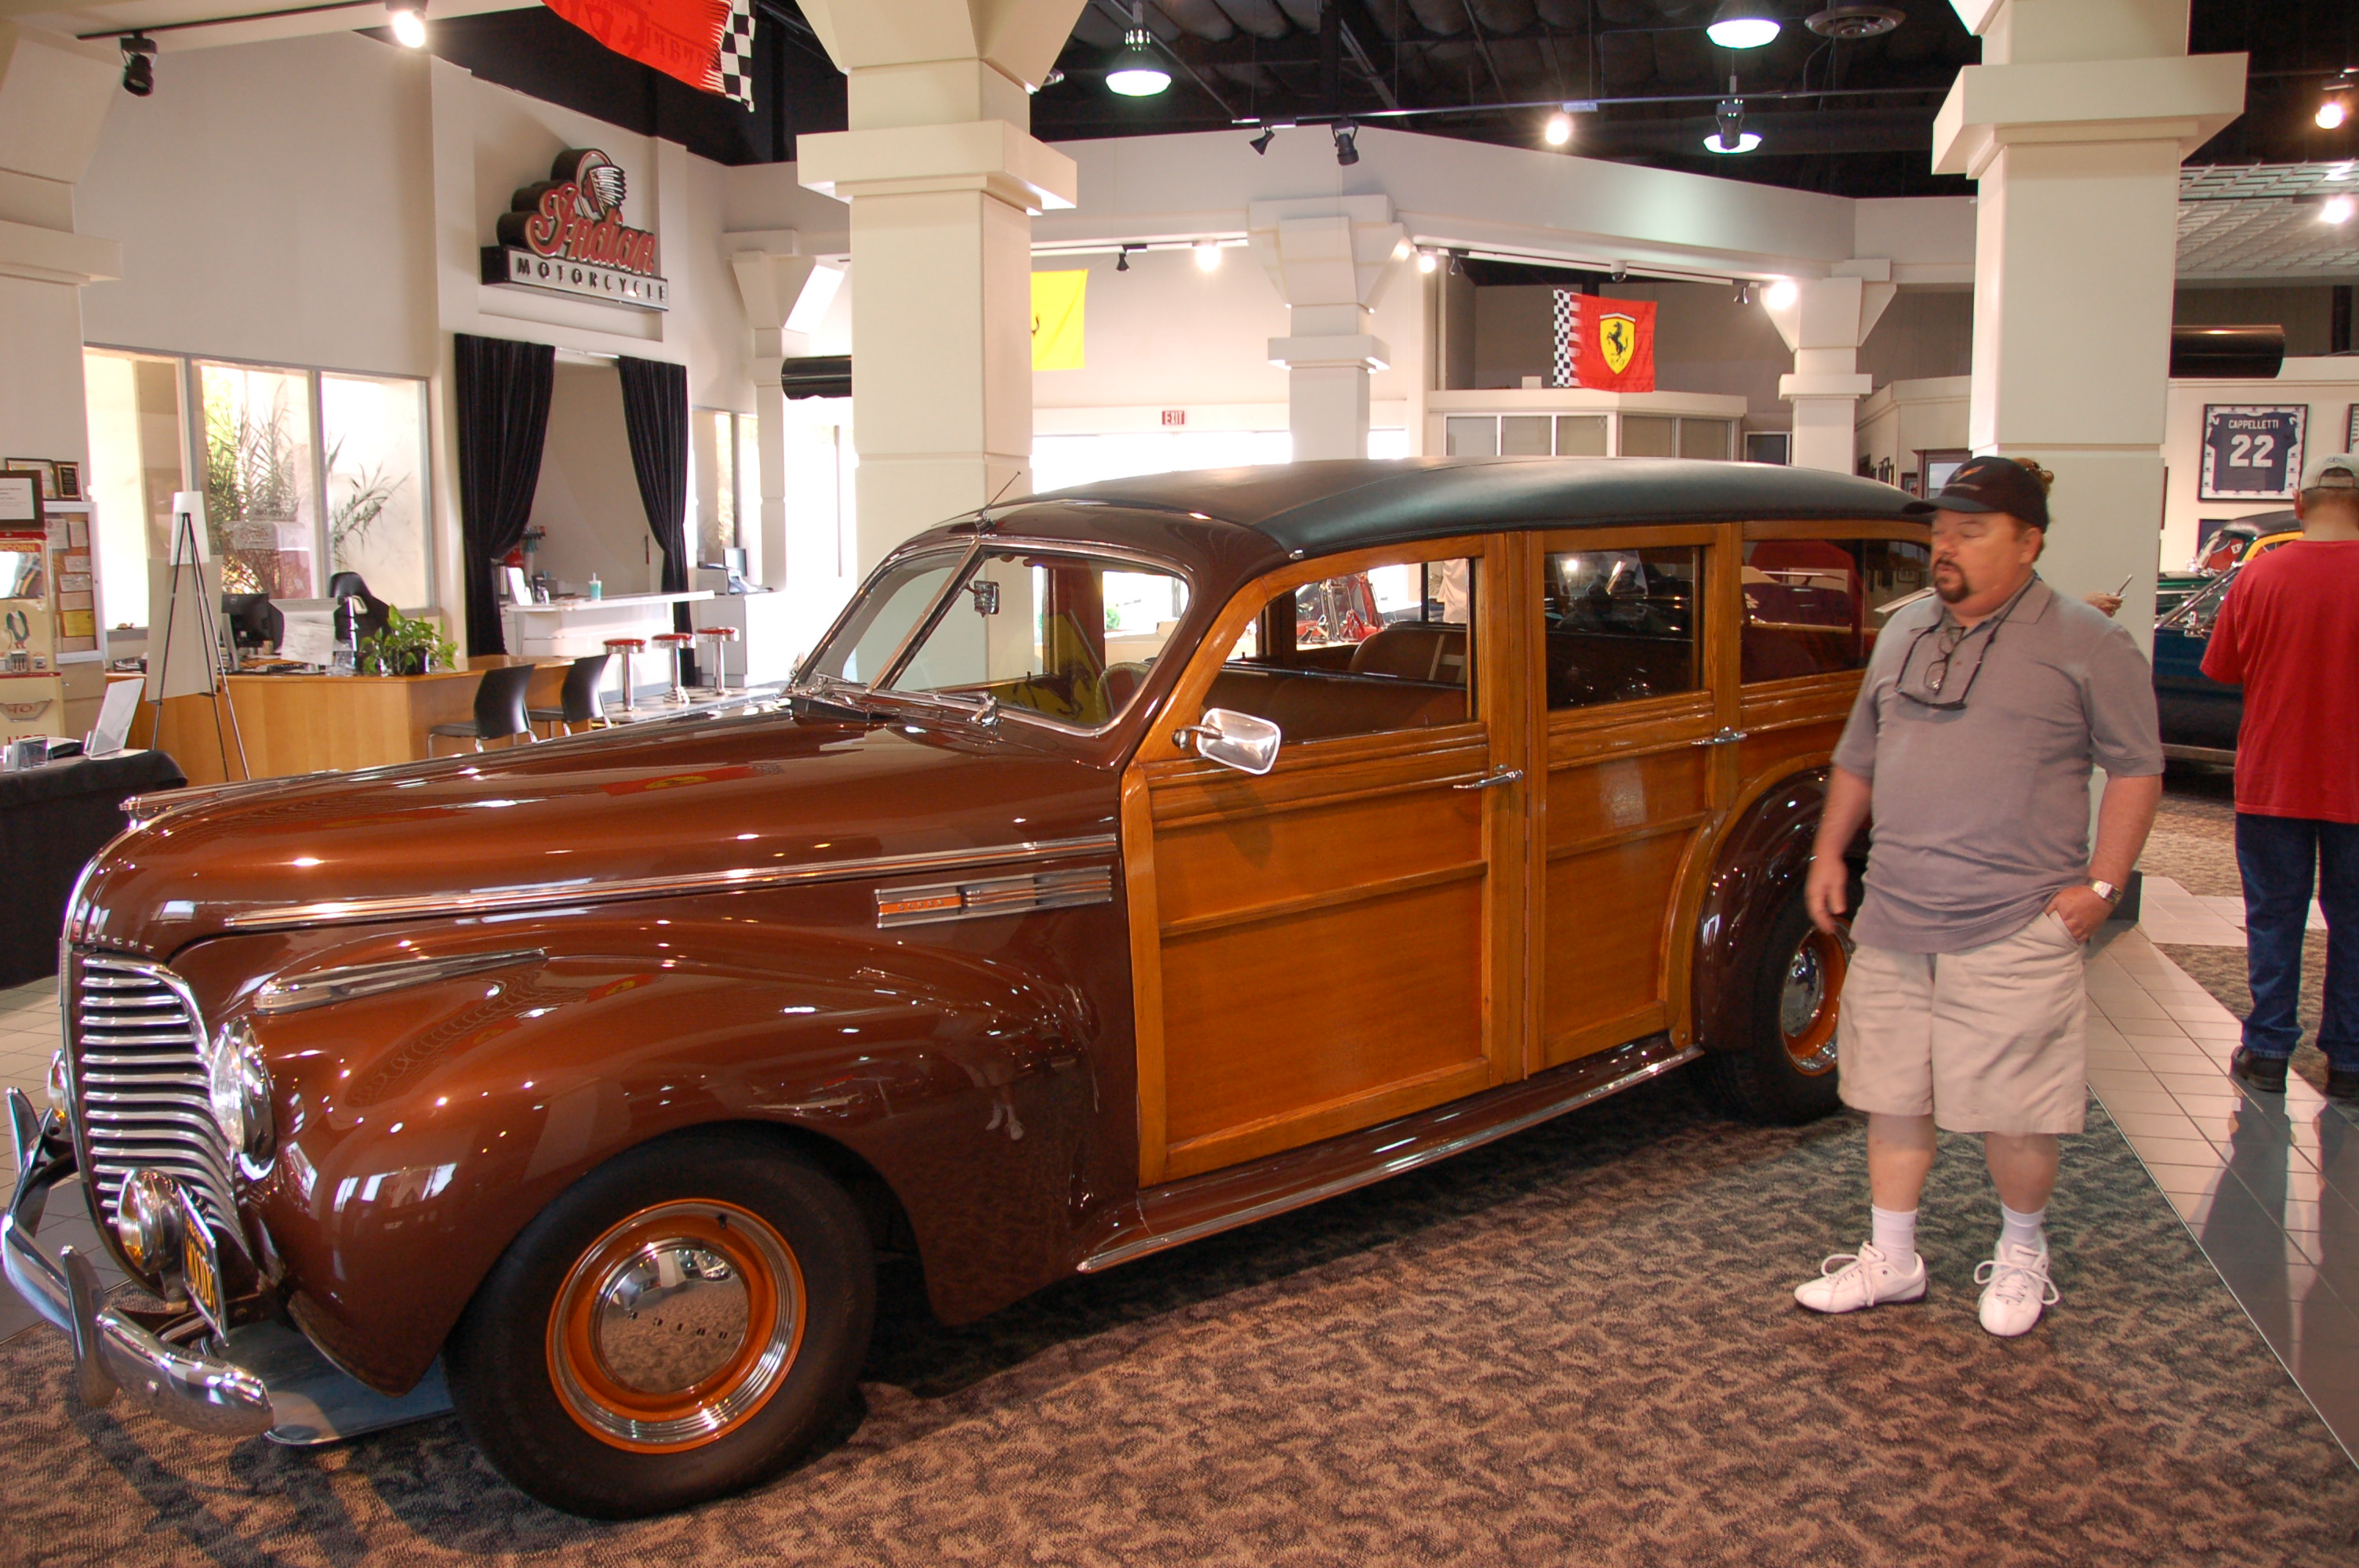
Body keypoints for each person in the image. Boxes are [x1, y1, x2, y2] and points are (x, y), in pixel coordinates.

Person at [1794, 456, 2165, 1337]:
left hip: (2013, 919)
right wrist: (1828, 852)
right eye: (1937, 530)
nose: (1943, 545)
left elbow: (2136, 765)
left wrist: (2101, 884)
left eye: (1968, 530)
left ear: (2028, 541)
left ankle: (2022, 1252)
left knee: (2017, 1107)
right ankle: (1892, 1257)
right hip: (1895, 911)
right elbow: (1859, 752)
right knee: (1891, 1092)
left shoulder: (2085, 640)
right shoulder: (1902, 630)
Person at [2201, 449, 2359, 1099]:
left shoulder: (2261, 576)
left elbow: (2222, 668)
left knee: (2274, 918)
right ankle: (2349, 1061)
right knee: (2353, 922)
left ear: (2299, 505)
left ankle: (2267, 1048)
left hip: (2274, 777)